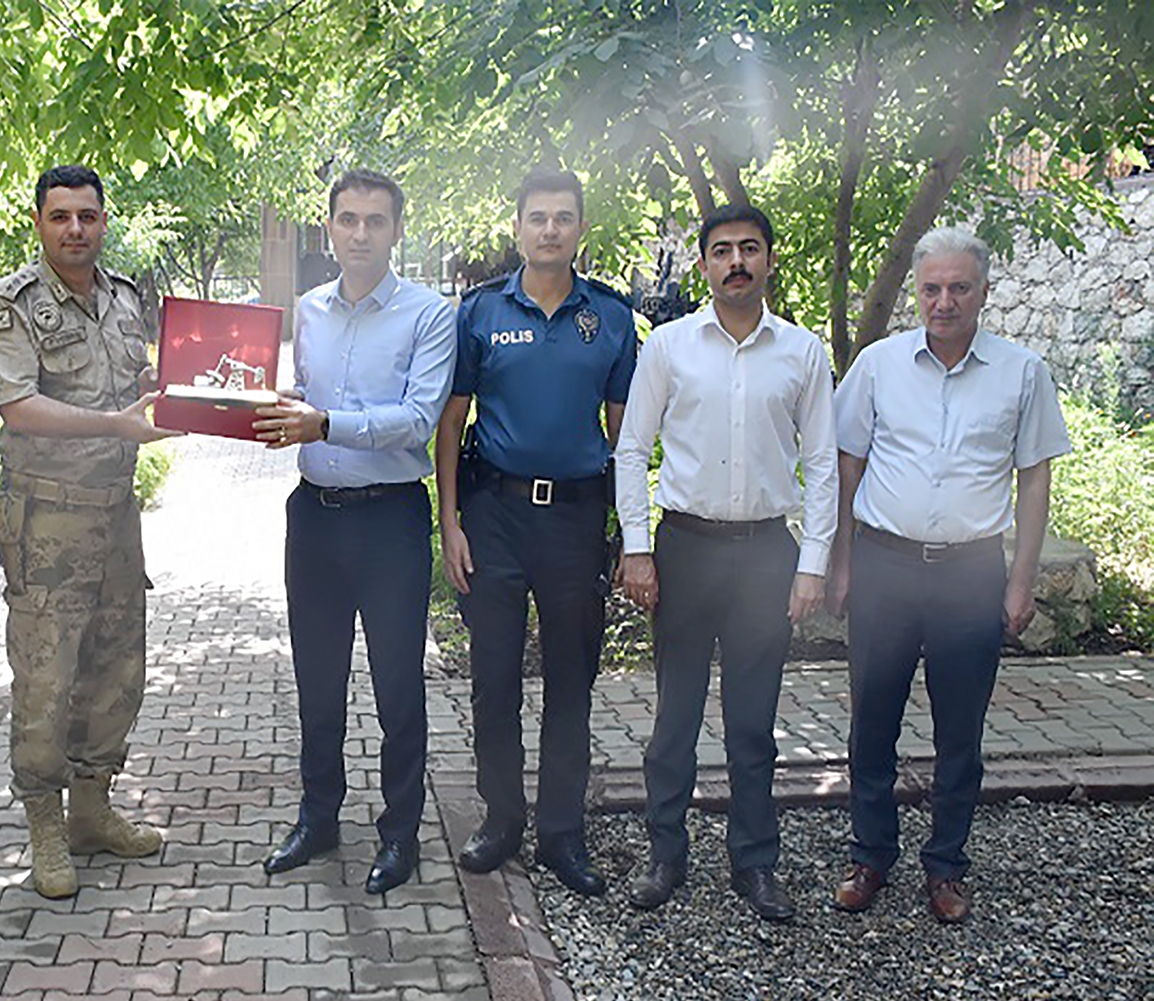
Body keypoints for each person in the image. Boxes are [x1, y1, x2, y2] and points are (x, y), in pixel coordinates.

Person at [827, 226, 1069, 924]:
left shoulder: (1021, 372)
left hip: (970, 573)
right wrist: (841, 561)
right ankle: (870, 856)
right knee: (872, 722)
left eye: (959, 287)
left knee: (958, 732)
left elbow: (1033, 479)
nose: (943, 301)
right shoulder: (877, 365)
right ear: (916, 290)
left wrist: (1020, 580)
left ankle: (945, 867)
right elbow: (846, 465)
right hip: (885, 565)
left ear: (983, 291)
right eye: (931, 288)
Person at [615, 203, 837, 922]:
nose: (735, 261)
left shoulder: (801, 352)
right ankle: (665, 854)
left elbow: (821, 462)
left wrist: (812, 562)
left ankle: (755, 862)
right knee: (674, 719)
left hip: (766, 554)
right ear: (704, 262)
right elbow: (631, 448)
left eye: (748, 248)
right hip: (685, 549)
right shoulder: (669, 347)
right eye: (721, 250)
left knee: (752, 723)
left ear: (768, 258)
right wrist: (638, 547)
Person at [435, 168, 635, 897]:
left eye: (563, 217)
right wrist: (449, 522)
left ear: (581, 228)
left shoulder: (610, 317)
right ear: (517, 227)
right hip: (494, 515)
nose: (550, 229)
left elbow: (626, 435)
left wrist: (628, 533)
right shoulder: (481, 312)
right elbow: (451, 420)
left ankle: (561, 831)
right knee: (493, 678)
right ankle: (501, 818)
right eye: (537, 217)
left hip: (575, 520)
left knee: (571, 681)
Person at [256, 168, 456, 895]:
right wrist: (271, 407)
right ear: (330, 227)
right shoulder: (308, 309)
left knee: (398, 685)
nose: (361, 233)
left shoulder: (429, 314)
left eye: (375, 221)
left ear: (396, 229)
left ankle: (400, 832)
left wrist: (324, 424)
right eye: (348, 219)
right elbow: (308, 399)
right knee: (317, 680)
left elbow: (417, 419)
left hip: (389, 521)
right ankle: (319, 817)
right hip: (313, 516)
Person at [0, 165, 175, 900]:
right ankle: (45, 828)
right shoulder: (13, 302)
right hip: (48, 519)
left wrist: (184, 395)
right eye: (60, 216)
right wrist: (116, 425)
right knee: (47, 678)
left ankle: (91, 812)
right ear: (38, 222)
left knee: (118, 667)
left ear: (102, 222)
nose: (74, 229)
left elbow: (140, 389)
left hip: (117, 515)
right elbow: (18, 406)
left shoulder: (124, 297)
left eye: (87, 216)